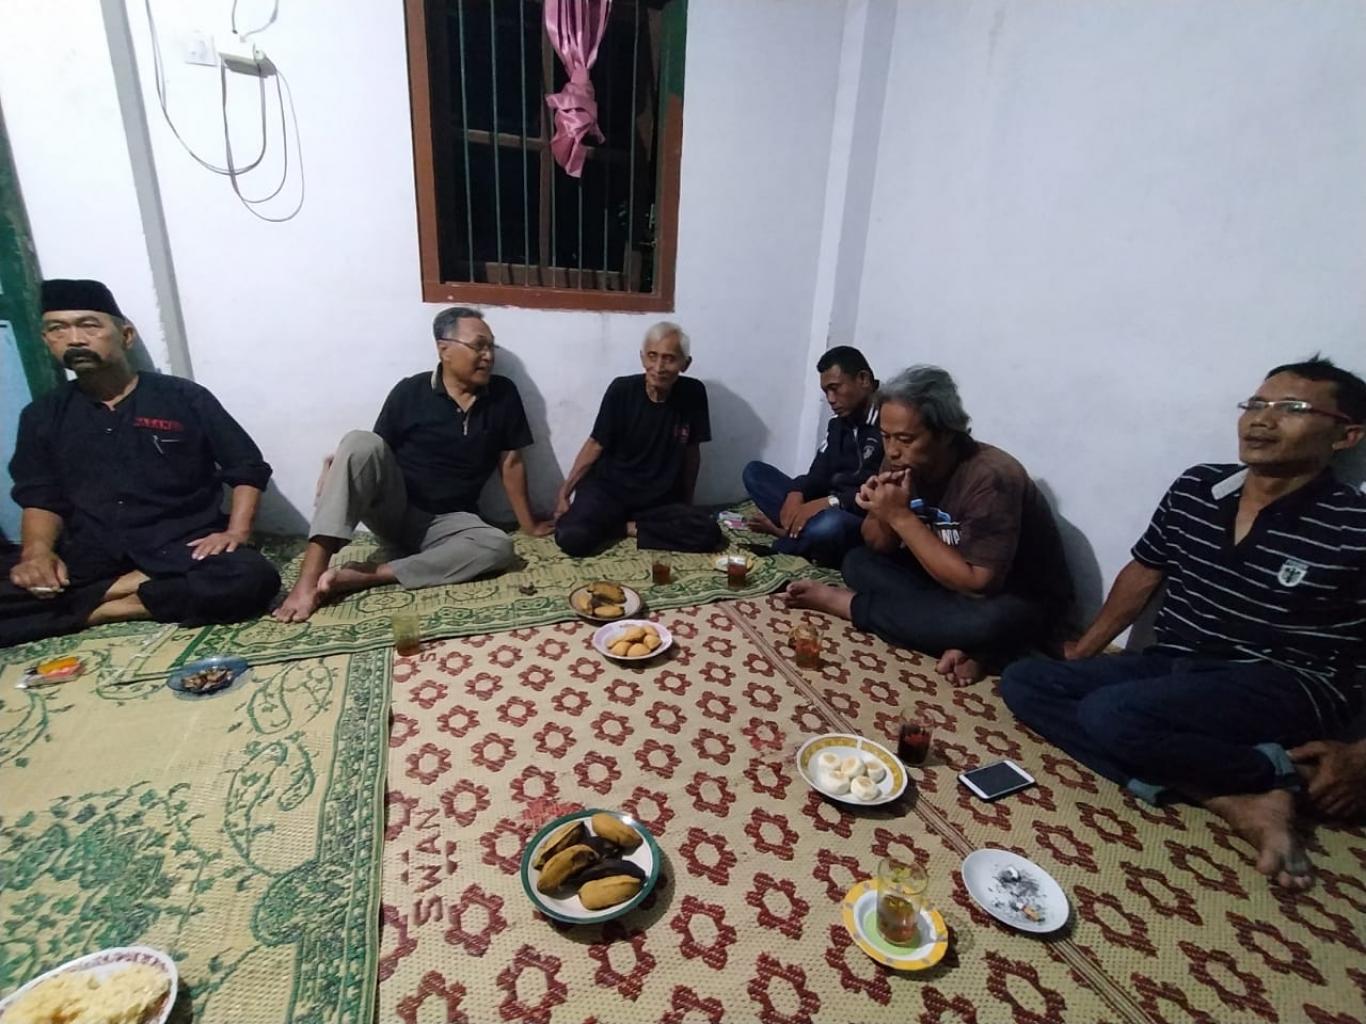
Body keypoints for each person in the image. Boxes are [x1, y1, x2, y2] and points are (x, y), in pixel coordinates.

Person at [1000, 357, 1366, 890]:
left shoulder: (1354, 525)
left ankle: (1278, 773)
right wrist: (1083, 652)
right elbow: (1144, 572)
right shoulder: (1199, 486)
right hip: (1175, 663)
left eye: (1291, 408)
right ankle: (1230, 792)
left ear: (1346, 435)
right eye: (1255, 405)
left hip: (1285, 683)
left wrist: (1360, 756)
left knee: (1112, 714)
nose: (1261, 420)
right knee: (1026, 681)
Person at [2, 279, 279, 646]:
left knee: (250, 578)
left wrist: (237, 534)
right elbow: (39, 495)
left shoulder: (182, 398)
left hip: (181, 547)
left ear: (126, 335)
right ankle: (128, 593)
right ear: (45, 339)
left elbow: (247, 468)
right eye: (58, 329)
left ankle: (93, 609)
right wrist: (37, 553)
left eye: (89, 325)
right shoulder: (42, 415)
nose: (75, 339)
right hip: (91, 555)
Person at [786, 365, 1072, 683]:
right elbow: (876, 545)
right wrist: (883, 512)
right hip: (945, 584)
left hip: (1012, 598)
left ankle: (853, 606)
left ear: (945, 433)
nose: (892, 450)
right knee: (858, 563)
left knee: (988, 623)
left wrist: (901, 516)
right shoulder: (898, 459)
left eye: (906, 439)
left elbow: (978, 584)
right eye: (885, 436)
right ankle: (970, 645)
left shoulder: (991, 477)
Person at [274, 307, 552, 622]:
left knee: (498, 546)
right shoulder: (410, 391)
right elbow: (372, 455)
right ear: (444, 349)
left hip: (449, 522)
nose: (488, 356)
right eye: (479, 346)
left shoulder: (503, 395)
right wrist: (337, 469)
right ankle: (308, 580)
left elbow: (511, 463)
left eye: (491, 347)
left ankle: (369, 575)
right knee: (358, 441)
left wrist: (529, 525)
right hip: (395, 509)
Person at [553, 322, 722, 556]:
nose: (659, 367)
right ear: (642, 358)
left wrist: (686, 504)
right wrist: (565, 492)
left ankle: (622, 528)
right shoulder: (622, 390)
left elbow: (691, 453)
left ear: (685, 364)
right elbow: (595, 444)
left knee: (708, 532)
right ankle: (630, 527)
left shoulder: (693, 394)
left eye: (669, 358)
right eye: (652, 356)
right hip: (609, 491)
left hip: (658, 501)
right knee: (570, 536)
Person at [742, 346, 882, 566]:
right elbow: (818, 472)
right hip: (826, 502)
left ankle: (788, 537)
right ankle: (800, 532)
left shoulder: (889, 421)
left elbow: (880, 491)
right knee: (755, 473)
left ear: (863, 379)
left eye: (835, 388)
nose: (830, 399)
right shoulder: (838, 425)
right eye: (826, 392)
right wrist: (797, 492)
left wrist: (829, 502)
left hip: (858, 514)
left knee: (829, 525)